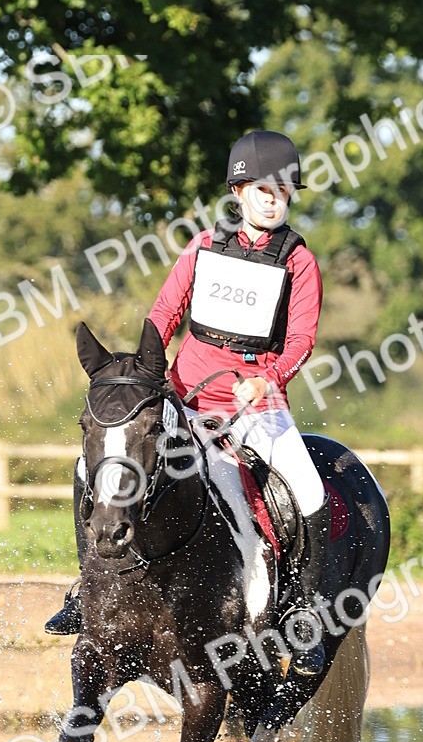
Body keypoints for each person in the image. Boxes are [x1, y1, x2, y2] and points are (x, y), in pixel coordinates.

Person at [45, 130, 330, 676]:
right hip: (188, 396)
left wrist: (266, 379)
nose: (274, 197)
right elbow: (163, 315)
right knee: (91, 465)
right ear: (239, 191)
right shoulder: (202, 247)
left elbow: (301, 340)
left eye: (284, 189)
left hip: (257, 404)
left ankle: (303, 612)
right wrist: (148, 375)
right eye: (262, 188)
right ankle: (85, 587)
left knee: (309, 489)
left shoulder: (299, 262)